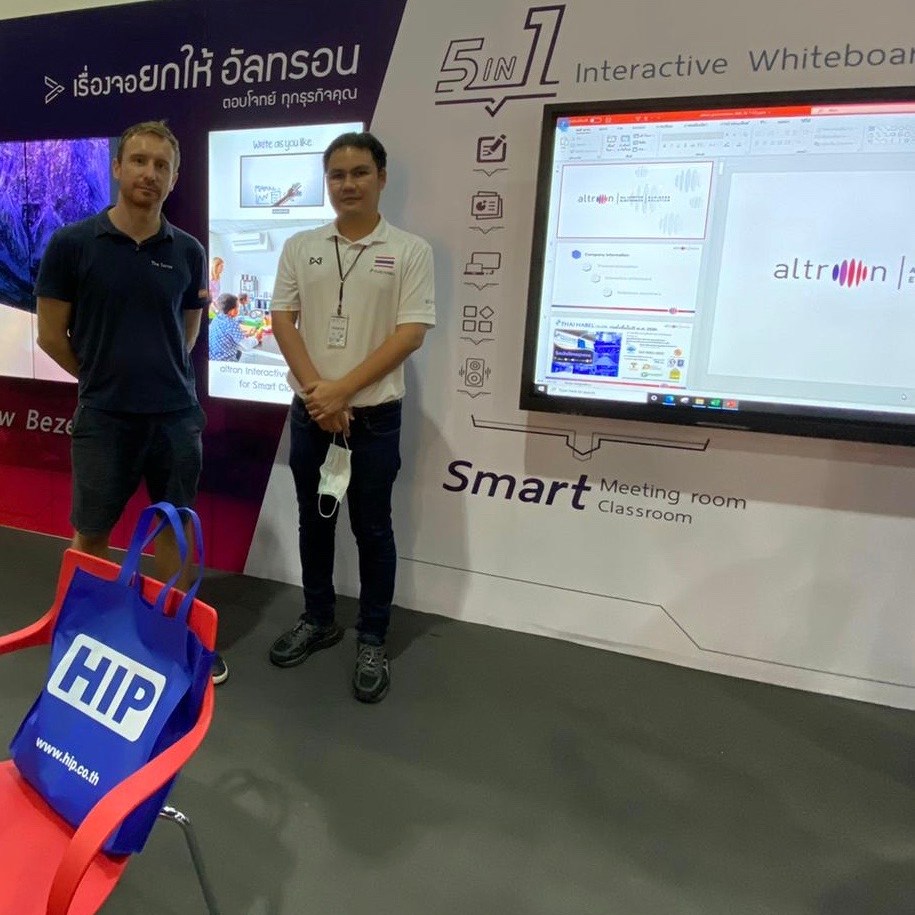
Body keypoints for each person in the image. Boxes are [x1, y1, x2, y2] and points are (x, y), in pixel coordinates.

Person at [34, 120, 228, 685]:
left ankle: (173, 638)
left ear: (174, 178)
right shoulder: (72, 245)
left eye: (161, 165)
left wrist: (158, 375)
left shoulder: (188, 251)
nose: (149, 173)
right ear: (117, 167)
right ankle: (82, 635)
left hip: (175, 418)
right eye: (139, 161)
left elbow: (188, 331)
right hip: (105, 417)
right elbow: (50, 335)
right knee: (92, 530)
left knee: (174, 530)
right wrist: (101, 377)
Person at [268, 131, 435, 703]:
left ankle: (372, 635)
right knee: (313, 522)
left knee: (372, 527)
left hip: (374, 418)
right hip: (311, 413)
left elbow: (410, 334)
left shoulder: (410, 250)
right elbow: (283, 318)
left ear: (381, 178)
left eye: (360, 172)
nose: (348, 184)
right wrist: (321, 397)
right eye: (337, 175)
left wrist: (341, 392)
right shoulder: (302, 245)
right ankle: (318, 618)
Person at [208, 292, 262, 361]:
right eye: (237, 307)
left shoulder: (217, 319)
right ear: (233, 310)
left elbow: (227, 335)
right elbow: (246, 345)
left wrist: (243, 334)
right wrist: (256, 339)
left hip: (213, 360)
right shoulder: (232, 323)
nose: (238, 309)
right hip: (225, 361)